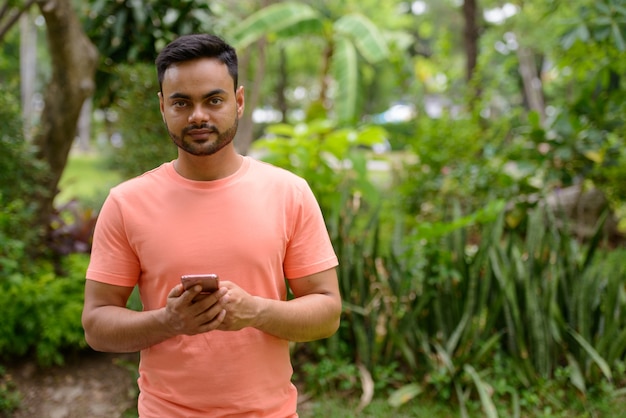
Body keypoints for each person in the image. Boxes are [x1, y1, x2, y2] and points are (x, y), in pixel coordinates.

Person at [81, 33, 342, 417]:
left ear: (238, 101)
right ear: (162, 107)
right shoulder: (126, 203)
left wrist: (255, 311)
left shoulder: (289, 192)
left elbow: (328, 311)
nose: (198, 115)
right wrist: (170, 322)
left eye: (213, 100)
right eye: (181, 103)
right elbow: (96, 324)